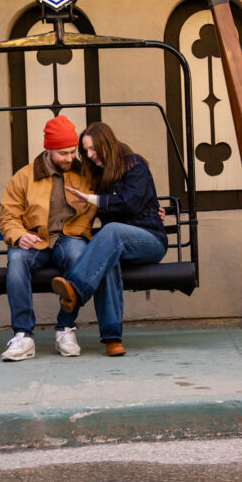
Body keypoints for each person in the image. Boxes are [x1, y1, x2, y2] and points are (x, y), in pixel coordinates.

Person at [52, 122, 168, 357]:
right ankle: (112, 338)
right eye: (86, 151)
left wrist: (92, 199)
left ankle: (73, 289)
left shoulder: (134, 165)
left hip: (149, 239)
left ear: (107, 142)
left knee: (112, 231)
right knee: (107, 261)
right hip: (117, 245)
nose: (91, 156)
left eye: (94, 149)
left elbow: (129, 203)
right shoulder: (97, 175)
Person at [0, 114, 97, 361]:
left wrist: (81, 232)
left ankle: (65, 328)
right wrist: (19, 235)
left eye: (72, 151)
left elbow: (99, 205)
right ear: (49, 149)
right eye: (63, 153)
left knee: (78, 256)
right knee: (17, 260)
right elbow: (8, 216)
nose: (70, 158)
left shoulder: (83, 174)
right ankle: (23, 335)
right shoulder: (24, 177)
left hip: (69, 237)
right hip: (35, 239)